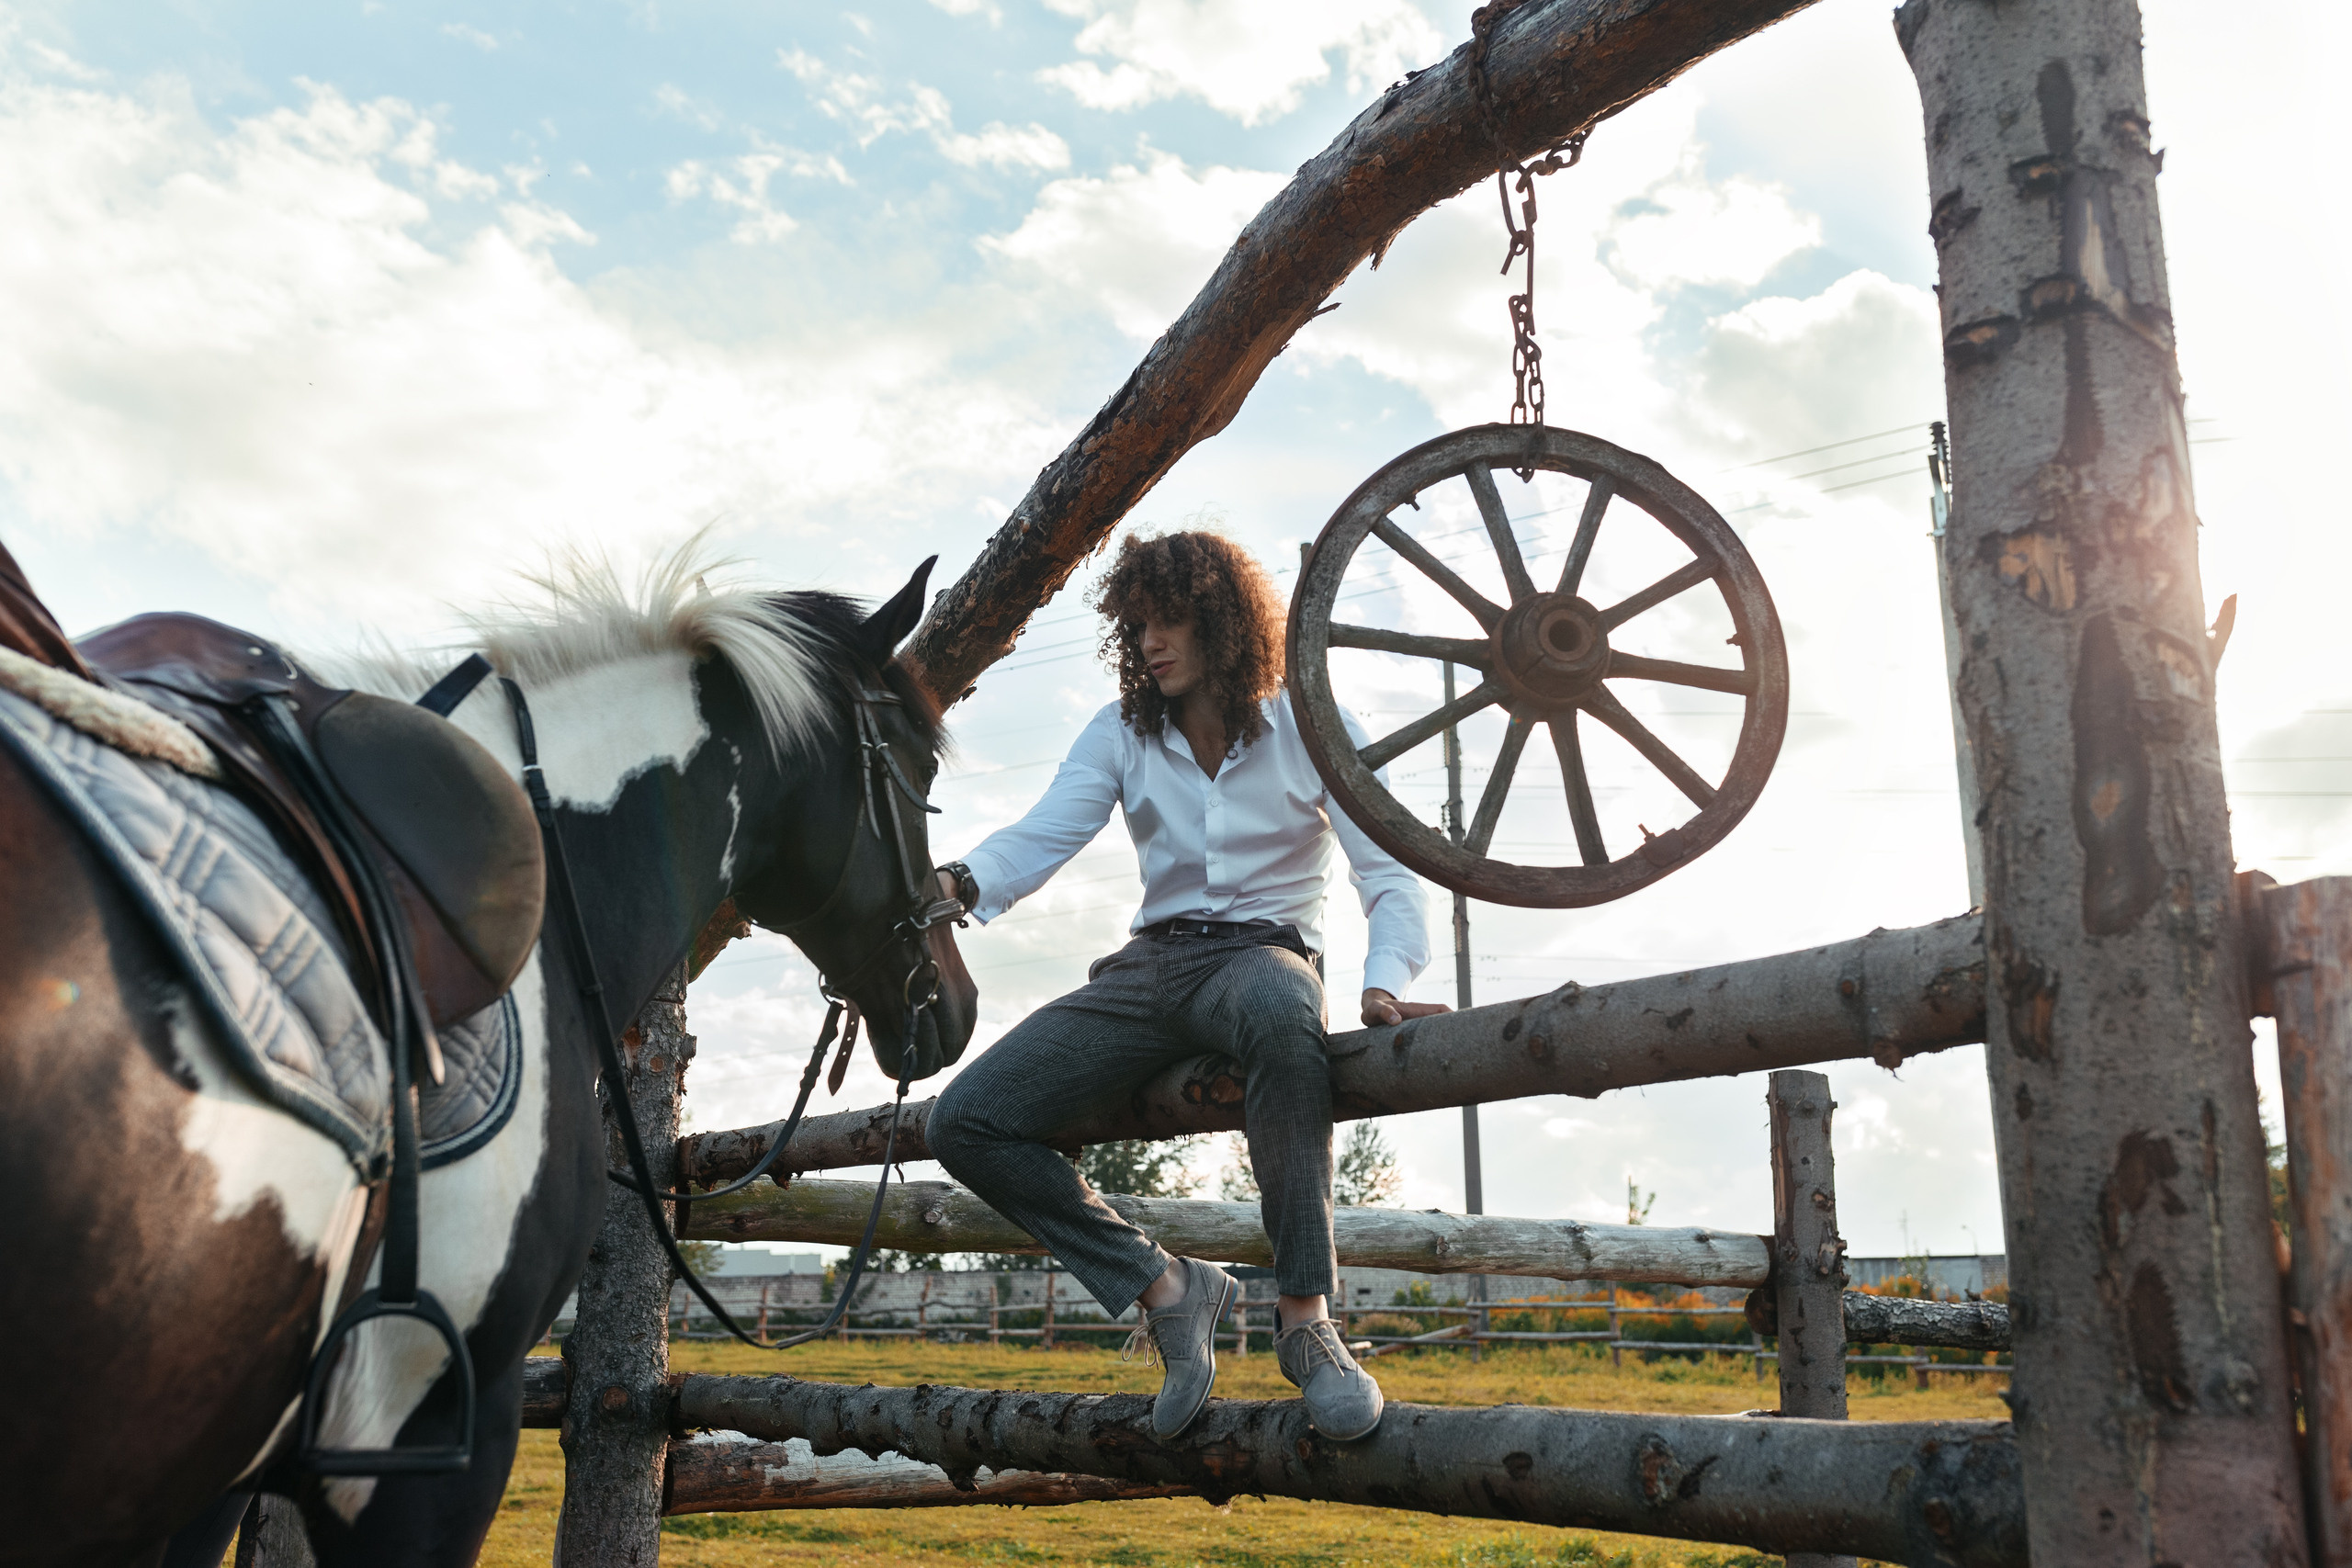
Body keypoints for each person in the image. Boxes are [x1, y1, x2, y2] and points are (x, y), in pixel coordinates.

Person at [926, 529, 1447, 1442]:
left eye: (1169, 621)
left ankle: (1304, 1321)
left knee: (1288, 1018)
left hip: (1261, 956)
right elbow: (1045, 832)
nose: (1150, 643)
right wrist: (959, 884)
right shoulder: (1121, 730)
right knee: (964, 1119)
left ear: (1223, 622)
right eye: (1136, 627)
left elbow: (1389, 867)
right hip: (1151, 965)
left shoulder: (1311, 719)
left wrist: (1384, 979)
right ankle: (1167, 1289)